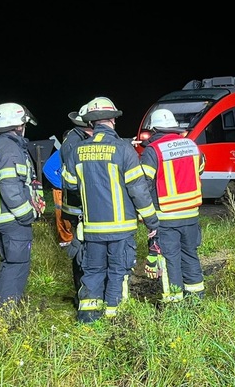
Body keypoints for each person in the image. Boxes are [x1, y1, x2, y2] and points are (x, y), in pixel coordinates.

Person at [62, 97, 159, 323]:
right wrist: (151, 220)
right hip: (120, 229)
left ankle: (88, 319)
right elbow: (138, 190)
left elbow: (69, 184)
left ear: (91, 123)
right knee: (118, 272)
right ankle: (114, 319)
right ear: (113, 120)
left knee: (92, 272)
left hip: (92, 228)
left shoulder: (77, 150)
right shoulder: (123, 150)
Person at [0, 102, 44, 311]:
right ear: (18, 125)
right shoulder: (10, 149)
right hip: (12, 219)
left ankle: (5, 309)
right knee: (17, 266)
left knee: (8, 263)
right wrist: (27, 215)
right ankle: (6, 313)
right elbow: (11, 189)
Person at [140, 109, 206, 302]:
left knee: (170, 261)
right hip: (191, 215)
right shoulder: (193, 146)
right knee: (190, 255)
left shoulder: (153, 150)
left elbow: (144, 184)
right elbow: (200, 169)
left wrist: (145, 214)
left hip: (167, 217)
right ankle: (196, 298)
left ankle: (174, 303)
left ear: (154, 129)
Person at [43, 104, 93, 306]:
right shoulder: (73, 144)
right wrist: (64, 186)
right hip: (75, 204)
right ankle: (84, 294)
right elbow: (49, 169)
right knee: (82, 251)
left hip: (77, 205)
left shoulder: (76, 141)